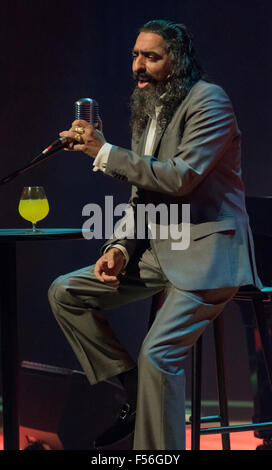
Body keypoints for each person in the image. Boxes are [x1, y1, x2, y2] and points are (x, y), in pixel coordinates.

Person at [48, 19, 261, 450]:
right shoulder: (151, 108)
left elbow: (180, 178)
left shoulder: (209, 102)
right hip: (159, 252)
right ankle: (133, 392)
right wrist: (121, 249)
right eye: (135, 55)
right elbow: (143, 194)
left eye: (151, 57)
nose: (138, 67)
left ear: (177, 62)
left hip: (207, 255)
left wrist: (103, 151)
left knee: (158, 356)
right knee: (65, 292)